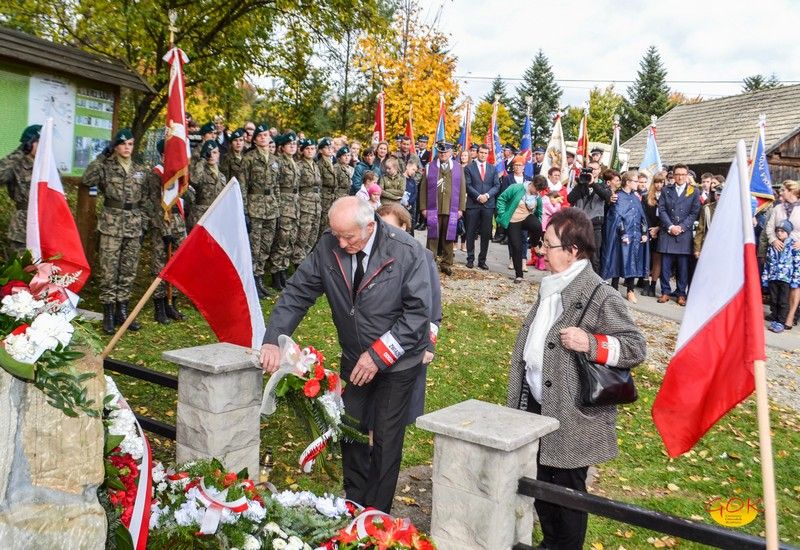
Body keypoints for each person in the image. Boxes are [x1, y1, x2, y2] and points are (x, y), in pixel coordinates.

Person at [260, 197, 432, 514]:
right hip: (355, 358)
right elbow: (298, 292)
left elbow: (418, 314)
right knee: (350, 429)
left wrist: (378, 355)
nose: (340, 243)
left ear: (370, 227)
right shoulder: (330, 245)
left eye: (348, 237)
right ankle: (354, 502)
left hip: (397, 362)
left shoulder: (406, 251)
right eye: (336, 234)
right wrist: (273, 339)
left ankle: (375, 516)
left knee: (385, 438)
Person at [506, 208, 646, 550]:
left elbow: (635, 347)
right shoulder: (552, 286)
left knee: (567, 495)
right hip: (537, 405)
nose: (541, 250)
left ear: (572, 251)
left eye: (548, 244)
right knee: (540, 483)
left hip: (573, 416)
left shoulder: (601, 295)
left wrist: (592, 343)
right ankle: (550, 543)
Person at [375, 202, 440, 424]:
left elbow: (433, 305)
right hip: (377, 339)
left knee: (396, 411)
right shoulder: (373, 255)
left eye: (391, 227)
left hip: (410, 341)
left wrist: (429, 345)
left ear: (404, 227)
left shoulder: (423, 256)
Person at [81, 129, 147, 334]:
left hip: (134, 225)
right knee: (109, 270)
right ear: (115, 146)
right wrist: (102, 156)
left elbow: (145, 200)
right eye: (123, 144)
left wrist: (143, 224)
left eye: (130, 144)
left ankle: (122, 312)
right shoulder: (105, 166)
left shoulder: (140, 169)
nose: (127, 147)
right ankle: (108, 313)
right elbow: (87, 179)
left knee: (128, 270)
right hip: (111, 224)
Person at [148, 139, 187, 324]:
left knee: (178, 265)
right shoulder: (157, 174)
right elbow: (155, 204)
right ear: (163, 155)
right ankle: (160, 307)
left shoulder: (177, 173)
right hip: (162, 224)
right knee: (160, 265)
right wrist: (165, 230)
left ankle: (172, 304)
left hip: (178, 223)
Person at [601, 171, 650, 303]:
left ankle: (630, 290)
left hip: (636, 235)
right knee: (619, 260)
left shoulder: (636, 197)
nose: (638, 183)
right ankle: (614, 288)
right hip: (622, 236)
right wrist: (623, 233)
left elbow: (642, 217)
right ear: (628, 182)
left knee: (633, 262)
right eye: (635, 181)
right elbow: (616, 216)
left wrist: (644, 233)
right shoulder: (618, 196)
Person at [656, 163, 701, 306]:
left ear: (687, 175)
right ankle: (665, 292)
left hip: (684, 233)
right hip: (668, 232)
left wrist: (681, 227)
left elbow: (694, 212)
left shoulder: (694, 191)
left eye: (683, 174)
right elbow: (662, 210)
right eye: (677, 174)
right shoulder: (666, 190)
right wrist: (670, 226)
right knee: (665, 265)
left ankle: (681, 293)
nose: (680, 177)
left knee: (683, 267)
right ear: (673, 175)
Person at [243, 124, 279, 298]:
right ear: (255, 140)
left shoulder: (274, 159)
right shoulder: (249, 159)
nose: (264, 138)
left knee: (266, 245)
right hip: (255, 207)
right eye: (260, 136)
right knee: (254, 247)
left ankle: (259, 279)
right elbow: (243, 186)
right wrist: (244, 211)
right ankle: (252, 282)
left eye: (266, 135)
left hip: (271, 207)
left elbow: (277, 186)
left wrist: (278, 207)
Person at [419, 142, 466, 276]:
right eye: (440, 152)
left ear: (450, 153)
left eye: (445, 152)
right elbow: (423, 188)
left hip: (451, 208)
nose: (443, 154)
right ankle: (430, 262)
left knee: (449, 236)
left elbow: (462, 188)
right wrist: (423, 207)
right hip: (433, 208)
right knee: (432, 237)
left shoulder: (458, 167)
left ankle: (446, 263)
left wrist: (461, 208)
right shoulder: (430, 167)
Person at [765, 180, 800, 328]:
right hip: (779, 252)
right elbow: (769, 227)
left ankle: (790, 317)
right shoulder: (777, 208)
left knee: (795, 284)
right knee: (779, 284)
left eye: (783, 190)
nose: (780, 192)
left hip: (796, 251)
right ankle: (778, 313)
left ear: (792, 191)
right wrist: (773, 240)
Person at [0, 124, 40, 254]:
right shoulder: (16, 164)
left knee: (45, 266)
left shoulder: (47, 167)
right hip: (23, 229)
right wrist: (20, 151)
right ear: (29, 144)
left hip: (45, 227)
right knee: (22, 265)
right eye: (39, 142)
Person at [496, 176, 543, 283]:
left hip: (526, 217)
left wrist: (538, 222)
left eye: (539, 191)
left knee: (537, 226)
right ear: (532, 184)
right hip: (513, 220)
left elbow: (539, 212)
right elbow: (501, 199)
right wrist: (502, 213)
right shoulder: (516, 188)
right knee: (516, 246)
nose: (537, 192)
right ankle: (519, 275)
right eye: (536, 189)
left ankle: (535, 244)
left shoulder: (537, 196)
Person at [567, 161, 612, 274]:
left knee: (594, 256)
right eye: (589, 168)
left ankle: (595, 281)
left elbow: (606, 196)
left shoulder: (603, 186)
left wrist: (593, 184)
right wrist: (581, 184)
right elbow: (570, 199)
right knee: (578, 255)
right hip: (580, 224)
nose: (592, 171)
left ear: (599, 170)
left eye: (594, 169)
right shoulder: (580, 184)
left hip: (595, 225)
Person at [270, 132, 300, 291]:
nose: (293, 146)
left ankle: (283, 271)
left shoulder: (294, 162)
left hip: (294, 205)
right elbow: (275, 185)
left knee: (290, 240)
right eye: (289, 144)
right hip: (284, 204)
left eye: (294, 144)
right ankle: (276, 273)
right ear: (282, 147)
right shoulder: (278, 162)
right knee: (282, 239)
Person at [464, 144, 501, 269]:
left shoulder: (493, 168)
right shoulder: (469, 168)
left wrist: (487, 195)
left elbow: (497, 185)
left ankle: (482, 260)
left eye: (485, 153)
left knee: (485, 233)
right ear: (477, 152)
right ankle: (470, 259)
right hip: (473, 204)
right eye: (481, 152)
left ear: (488, 154)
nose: (483, 155)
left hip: (488, 205)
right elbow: (468, 185)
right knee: (470, 232)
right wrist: (478, 196)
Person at [763, 219, 800, 333]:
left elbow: (797, 264)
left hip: (785, 279)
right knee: (774, 300)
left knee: (783, 301)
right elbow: (767, 263)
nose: (779, 233)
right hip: (773, 278)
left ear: (788, 233)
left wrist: (795, 280)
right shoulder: (772, 246)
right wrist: (765, 278)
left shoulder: (793, 246)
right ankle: (775, 319)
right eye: (778, 231)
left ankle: (781, 322)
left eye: (782, 231)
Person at [294, 138, 322, 264]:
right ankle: (298, 262)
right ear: (302, 151)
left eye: (312, 148)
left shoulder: (316, 166)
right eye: (307, 149)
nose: (310, 151)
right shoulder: (299, 165)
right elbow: (295, 187)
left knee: (313, 235)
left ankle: (305, 260)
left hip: (316, 204)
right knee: (303, 235)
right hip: (304, 204)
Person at [189, 140, 227, 227]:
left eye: (214, 152)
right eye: (208, 153)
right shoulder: (200, 172)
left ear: (218, 154)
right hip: (201, 216)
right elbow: (195, 180)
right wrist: (202, 159)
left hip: (217, 216)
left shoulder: (222, 176)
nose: (211, 155)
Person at [642, 174, 666, 297]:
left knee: (657, 259)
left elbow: (668, 216)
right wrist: (650, 230)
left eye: (661, 182)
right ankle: (645, 283)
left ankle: (653, 285)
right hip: (648, 230)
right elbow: (643, 215)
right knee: (647, 258)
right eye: (657, 182)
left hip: (662, 230)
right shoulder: (646, 197)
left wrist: (658, 228)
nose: (659, 185)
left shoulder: (667, 197)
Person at [693, 184, 723, 258]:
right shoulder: (707, 209)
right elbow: (700, 230)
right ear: (715, 196)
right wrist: (697, 249)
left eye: (722, 195)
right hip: (708, 244)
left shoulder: (732, 210)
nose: (720, 197)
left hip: (725, 246)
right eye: (718, 195)